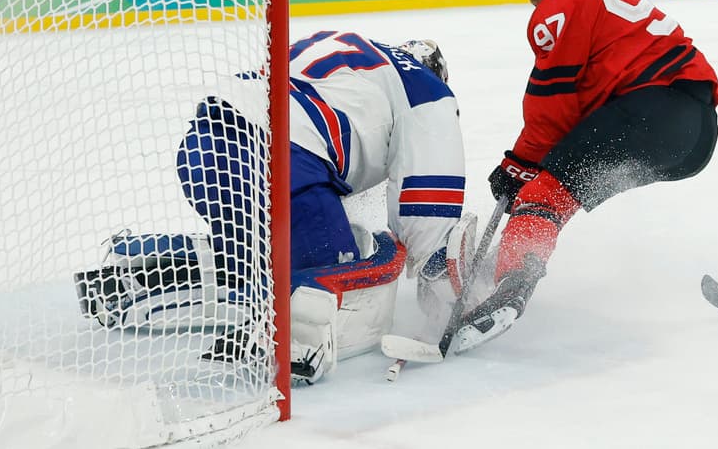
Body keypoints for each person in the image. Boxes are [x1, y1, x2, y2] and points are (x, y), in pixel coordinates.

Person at [75, 33, 471, 384]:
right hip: (279, 160)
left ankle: (145, 272)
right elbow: (428, 202)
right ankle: (287, 341)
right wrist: (446, 285)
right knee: (334, 275)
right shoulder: (426, 90)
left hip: (203, 146)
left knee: (266, 256)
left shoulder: (354, 52)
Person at [451, 0, 718, 354]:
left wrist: (518, 164)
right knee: (561, 190)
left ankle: (512, 284)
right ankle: (510, 262)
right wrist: (528, 164)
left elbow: (552, 108)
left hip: (654, 114)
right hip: (693, 132)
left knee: (544, 191)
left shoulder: (558, 10)